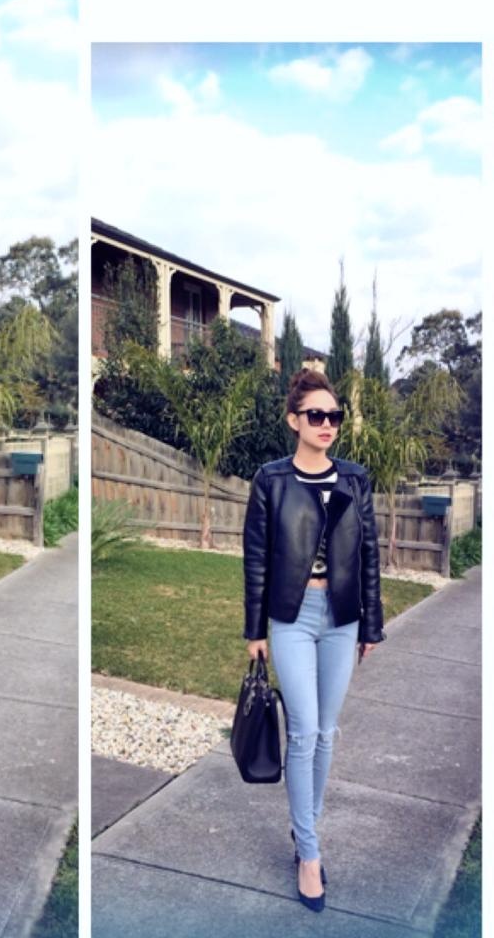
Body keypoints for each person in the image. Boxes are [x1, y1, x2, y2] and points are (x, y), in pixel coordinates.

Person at [242, 368, 384, 913]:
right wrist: (255, 629)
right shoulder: (271, 481)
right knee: (302, 733)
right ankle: (309, 853)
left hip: (342, 618)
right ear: (293, 421)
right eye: (316, 415)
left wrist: (371, 624)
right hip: (292, 618)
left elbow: (368, 555)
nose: (327, 424)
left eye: (334, 416)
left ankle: (305, 828)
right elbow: (257, 559)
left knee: (326, 732)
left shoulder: (355, 480)